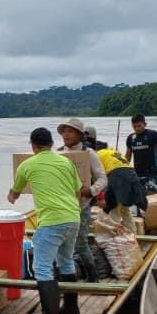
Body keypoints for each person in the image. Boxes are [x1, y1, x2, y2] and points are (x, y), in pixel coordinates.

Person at [8, 128, 81, 314]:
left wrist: (12, 196)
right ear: (50, 143)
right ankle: (71, 308)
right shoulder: (66, 162)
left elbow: (16, 191)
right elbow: (77, 189)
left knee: (41, 267)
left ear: (33, 145)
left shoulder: (27, 165)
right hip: (73, 218)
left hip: (51, 221)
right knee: (66, 261)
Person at [55, 118, 107, 291]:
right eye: (64, 132)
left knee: (80, 243)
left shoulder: (89, 153)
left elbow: (102, 178)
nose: (66, 135)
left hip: (81, 205)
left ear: (79, 134)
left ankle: (93, 277)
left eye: (70, 131)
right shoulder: (58, 153)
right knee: (61, 243)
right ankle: (67, 280)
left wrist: (91, 190)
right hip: (61, 206)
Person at [97, 146, 147, 233]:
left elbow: (98, 178)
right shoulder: (113, 152)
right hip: (132, 174)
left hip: (117, 177)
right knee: (125, 209)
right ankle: (132, 235)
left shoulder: (96, 155)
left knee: (113, 209)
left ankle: (116, 239)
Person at [125, 114, 157, 193]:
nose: (137, 129)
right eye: (134, 126)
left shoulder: (153, 134)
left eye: (139, 126)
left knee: (150, 193)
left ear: (145, 124)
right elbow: (128, 156)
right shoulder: (130, 138)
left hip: (152, 173)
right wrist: (124, 170)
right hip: (137, 173)